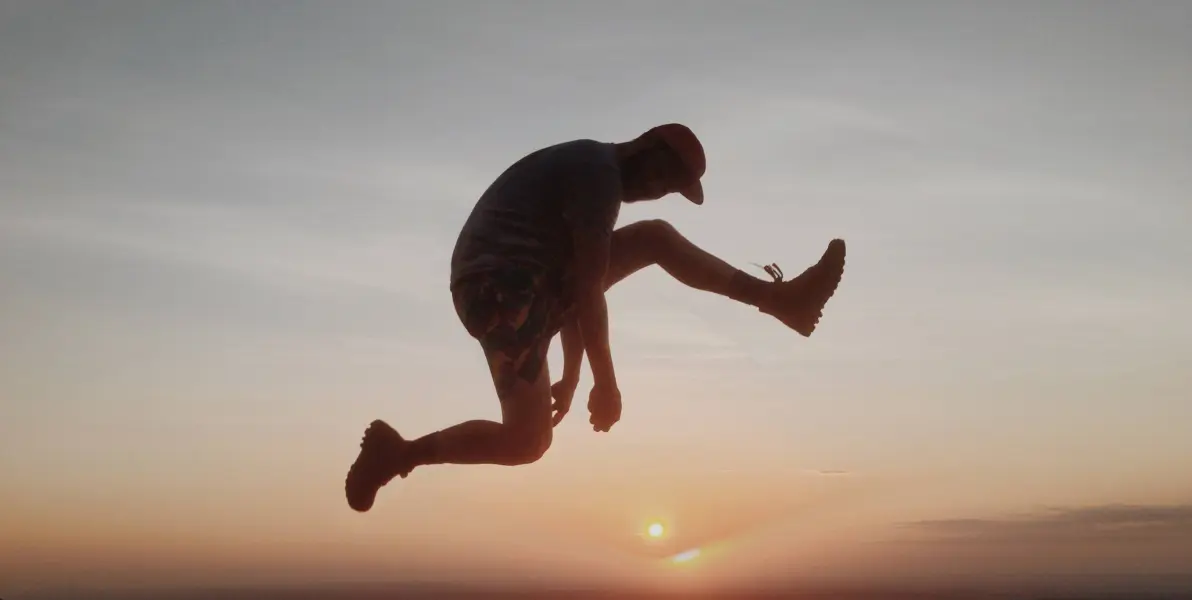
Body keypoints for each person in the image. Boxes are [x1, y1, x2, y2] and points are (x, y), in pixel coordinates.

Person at [345, 123, 845, 512]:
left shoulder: (593, 173)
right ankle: (400, 454)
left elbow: (580, 284)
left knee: (652, 239)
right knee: (527, 439)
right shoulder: (598, 177)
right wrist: (604, 383)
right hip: (499, 287)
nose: (658, 191)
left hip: (521, 282)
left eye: (670, 187)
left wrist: (573, 374)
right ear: (645, 149)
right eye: (663, 179)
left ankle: (781, 302)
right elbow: (584, 287)